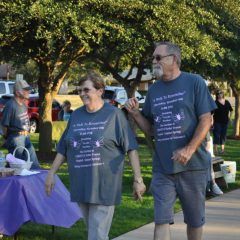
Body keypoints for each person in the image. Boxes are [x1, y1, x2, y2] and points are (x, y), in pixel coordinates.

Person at [125, 41, 216, 240]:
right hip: (163, 168)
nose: (154, 62)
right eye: (153, 58)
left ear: (173, 59)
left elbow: (206, 119)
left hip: (193, 166)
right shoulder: (154, 90)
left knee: (194, 221)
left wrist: (189, 149)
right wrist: (136, 114)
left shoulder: (195, 82)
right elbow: (151, 129)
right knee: (161, 220)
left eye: (158, 57)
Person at [45, 71, 146, 240]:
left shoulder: (114, 115)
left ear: (100, 91)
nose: (82, 93)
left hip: (105, 183)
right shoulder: (76, 115)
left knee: (97, 234)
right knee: (94, 232)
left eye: (86, 90)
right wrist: (51, 173)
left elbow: (131, 148)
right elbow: (64, 147)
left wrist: (138, 180)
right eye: (80, 90)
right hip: (81, 183)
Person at [1, 79, 40, 169]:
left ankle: (35, 182)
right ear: (18, 93)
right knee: (16, 167)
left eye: (28, 89)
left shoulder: (23, 105)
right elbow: (4, 125)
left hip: (26, 137)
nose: (28, 91)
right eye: (25, 90)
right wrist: (8, 137)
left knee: (34, 165)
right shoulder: (10, 105)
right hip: (16, 139)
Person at [213, 89, 233, 155]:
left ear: (223, 94)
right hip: (217, 122)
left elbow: (231, 110)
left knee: (223, 136)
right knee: (216, 135)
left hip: (225, 122)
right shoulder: (215, 102)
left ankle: (222, 150)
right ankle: (215, 150)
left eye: (221, 93)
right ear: (217, 95)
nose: (219, 95)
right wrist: (211, 121)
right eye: (218, 94)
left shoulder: (227, 102)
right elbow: (211, 113)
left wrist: (230, 118)